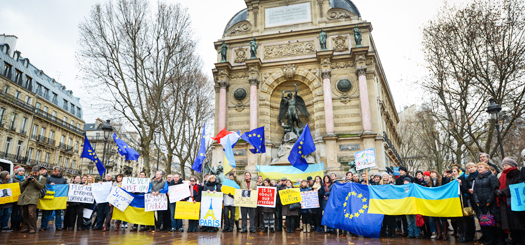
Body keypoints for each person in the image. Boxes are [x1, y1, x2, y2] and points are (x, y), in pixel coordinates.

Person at [497, 158, 525, 245]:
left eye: (506, 165)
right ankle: (514, 239)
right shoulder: (502, 175)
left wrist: (504, 192)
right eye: (503, 165)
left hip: (514, 201)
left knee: (517, 223)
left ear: (512, 165)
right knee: (509, 223)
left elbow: (516, 185)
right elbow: (497, 185)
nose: (504, 167)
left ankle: (520, 240)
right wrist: (496, 191)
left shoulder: (516, 173)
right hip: (504, 201)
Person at [473, 162, 500, 245]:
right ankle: (490, 238)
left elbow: (494, 190)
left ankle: (499, 239)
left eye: (481, 167)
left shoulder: (491, 177)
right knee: (486, 222)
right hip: (481, 203)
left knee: (495, 221)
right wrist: (477, 201)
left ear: (486, 168)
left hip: (491, 203)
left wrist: (489, 201)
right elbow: (475, 191)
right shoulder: (477, 178)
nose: (479, 169)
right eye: (478, 167)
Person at [18, 166, 46, 234]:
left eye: (35, 173)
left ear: (38, 172)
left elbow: (40, 186)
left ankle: (32, 228)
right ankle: (26, 227)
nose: (34, 174)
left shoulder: (42, 178)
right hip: (25, 195)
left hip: (34, 196)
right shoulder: (29, 176)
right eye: (33, 172)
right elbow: (22, 185)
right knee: (24, 213)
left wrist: (34, 180)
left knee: (31, 213)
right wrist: (27, 179)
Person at [40, 166, 67, 232]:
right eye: (53, 171)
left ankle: (58, 226)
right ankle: (43, 226)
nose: (54, 172)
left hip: (58, 200)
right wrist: (49, 184)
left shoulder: (63, 180)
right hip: (49, 199)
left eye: (55, 171)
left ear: (59, 172)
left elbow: (65, 190)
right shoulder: (49, 178)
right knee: (46, 213)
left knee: (58, 214)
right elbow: (44, 186)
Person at [233, 168, 257, 233]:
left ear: (250, 176)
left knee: (251, 216)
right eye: (245, 175)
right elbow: (236, 180)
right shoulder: (241, 182)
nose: (246, 176)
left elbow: (256, 191)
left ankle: (252, 227)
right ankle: (244, 228)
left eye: (248, 175)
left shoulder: (254, 183)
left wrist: (253, 190)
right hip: (243, 201)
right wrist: (235, 173)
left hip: (251, 202)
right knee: (244, 216)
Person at [395, 166, 411, 237]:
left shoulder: (411, 178)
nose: (400, 172)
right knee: (403, 217)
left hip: (410, 200)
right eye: (399, 171)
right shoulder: (398, 180)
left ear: (405, 171)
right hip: (402, 200)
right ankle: (405, 231)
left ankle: (414, 231)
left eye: (402, 170)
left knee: (411, 217)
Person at [10, 166, 24, 231]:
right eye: (20, 171)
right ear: (17, 172)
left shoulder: (24, 179)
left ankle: (18, 224)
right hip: (15, 198)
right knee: (14, 211)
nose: (22, 172)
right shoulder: (13, 178)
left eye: (23, 171)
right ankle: (13, 225)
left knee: (20, 212)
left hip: (22, 198)